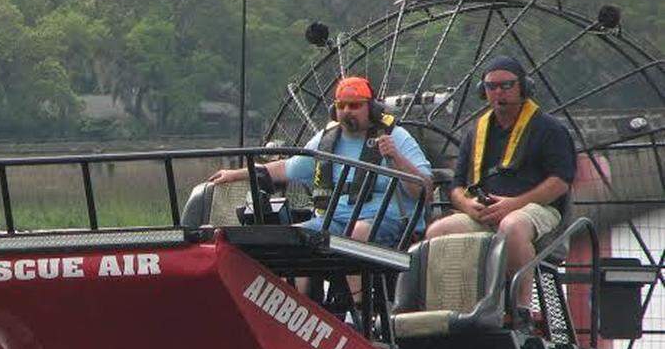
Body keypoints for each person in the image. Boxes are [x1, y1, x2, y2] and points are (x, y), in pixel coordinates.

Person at [424, 55, 576, 313]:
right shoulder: (476, 131)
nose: (498, 92)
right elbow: (457, 186)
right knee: (438, 232)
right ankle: (456, 309)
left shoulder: (549, 129)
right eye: (491, 86)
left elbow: (560, 182)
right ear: (483, 91)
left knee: (512, 226)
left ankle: (521, 310)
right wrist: (468, 206)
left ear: (523, 87)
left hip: (536, 209)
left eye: (506, 85)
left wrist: (513, 204)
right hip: (485, 211)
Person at [208, 76, 432, 247]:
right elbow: (286, 168)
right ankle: (298, 295)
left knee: (355, 235)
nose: (347, 111)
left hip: (386, 222)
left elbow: (425, 191)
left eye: (355, 106)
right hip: (333, 221)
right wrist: (235, 174)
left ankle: (358, 296)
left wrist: (396, 157)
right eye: (342, 106)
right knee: (297, 237)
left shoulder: (396, 137)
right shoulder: (326, 140)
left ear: (371, 109)